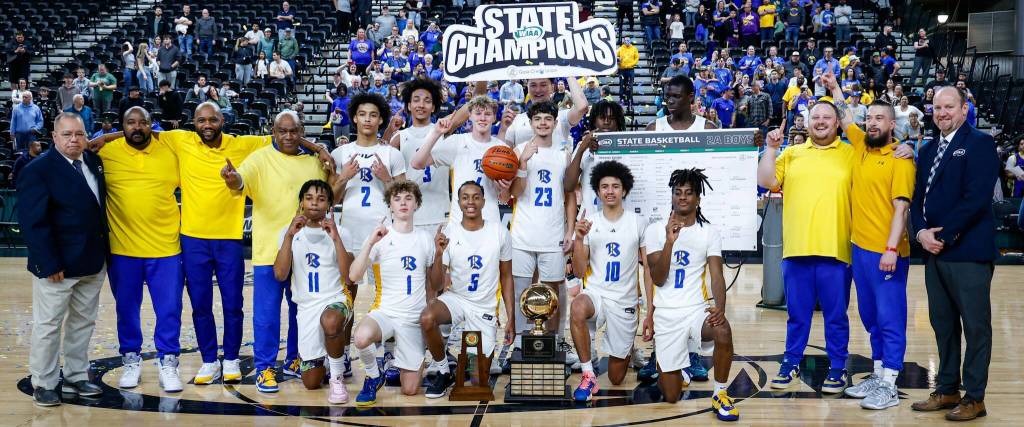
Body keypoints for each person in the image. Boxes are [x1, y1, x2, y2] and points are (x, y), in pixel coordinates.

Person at [221, 110, 336, 393]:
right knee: (267, 315)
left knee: (302, 312)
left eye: (293, 131)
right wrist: (232, 178)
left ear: (301, 132)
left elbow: (330, 189)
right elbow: (240, 181)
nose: (288, 136)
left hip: (306, 254)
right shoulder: (259, 159)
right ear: (273, 132)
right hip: (268, 252)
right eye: (282, 131)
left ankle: (295, 359)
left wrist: (321, 152)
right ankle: (265, 368)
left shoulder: (314, 163)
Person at [909, 87, 999, 421]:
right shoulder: (927, 149)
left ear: (964, 109)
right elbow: (917, 198)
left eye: (949, 107)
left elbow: (977, 198)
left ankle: (975, 397)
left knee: (976, 328)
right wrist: (921, 233)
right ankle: (947, 389)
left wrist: (944, 236)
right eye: (937, 107)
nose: (942, 113)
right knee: (943, 325)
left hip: (968, 251)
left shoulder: (980, 143)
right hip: (934, 253)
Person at [827, 76, 916, 410]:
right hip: (860, 250)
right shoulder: (863, 146)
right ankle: (878, 374)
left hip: (887, 252)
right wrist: (834, 87)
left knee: (890, 317)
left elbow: (901, 208)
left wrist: (891, 248)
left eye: (880, 118)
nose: (873, 123)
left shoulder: (901, 159)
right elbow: (844, 117)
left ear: (893, 124)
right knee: (870, 316)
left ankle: (890, 383)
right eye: (870, 118)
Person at [758, 100, 854, 395]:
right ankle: (790, 362)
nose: (820, 121)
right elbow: (766, 181)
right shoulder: (792, 153)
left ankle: (838, 366)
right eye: (815, 117)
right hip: (796, 250)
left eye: (827, 117)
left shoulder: (851, 153)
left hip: (836, 250)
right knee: (797, 316)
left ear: (837, 123)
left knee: (836, 316)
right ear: (807, 123)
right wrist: (771, 148)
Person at [16, 113, 107, 406]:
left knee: (83, 323)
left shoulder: (93, 162)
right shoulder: (37, 170)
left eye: (79, 134)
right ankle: (43, 382)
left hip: (91, 261)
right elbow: (32, 223)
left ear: (86, 136)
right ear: (54, 137)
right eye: (67, 134)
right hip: (58, 266)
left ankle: (76, 376)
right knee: (48, 325)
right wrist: (48, 263)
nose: (73, 140)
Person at [97, 107, 183, 393]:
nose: (137, 127)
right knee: (126, 309)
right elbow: (80, 145)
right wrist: (106, 138)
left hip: (166, 247)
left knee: (169, 309)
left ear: (151, 125)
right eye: (130, 123)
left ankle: (168, 361)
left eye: (143, 122)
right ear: (122, 126)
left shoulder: (171, 151)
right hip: (123, 248)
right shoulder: (106, 152)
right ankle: (131, 358)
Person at [644, 168, 737, 421]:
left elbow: (716, 275)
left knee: (722, 329)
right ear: (672, 197)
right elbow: (658, 278)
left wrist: (720, 309)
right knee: (671, 395)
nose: (683, 197)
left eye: (688, 193)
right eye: (678, 192)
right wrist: (669, 242)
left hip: (696, 310)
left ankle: (720, 393)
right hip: (666, 314)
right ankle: (677, 368)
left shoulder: (709, 232)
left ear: (698, 198)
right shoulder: (655, 231)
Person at [331, 93, 407, 378]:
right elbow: (331, 199)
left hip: (383, 233)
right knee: (346, 296)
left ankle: (389, 354)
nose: (367, 119)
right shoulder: (341, 153)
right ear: (354, 117)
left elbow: (404, 198)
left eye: (373, 115)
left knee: (387, 296)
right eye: (362, 114)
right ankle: (342, 356)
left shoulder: (392, 154)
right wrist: (344, 176)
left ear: (380, 120)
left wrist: (387, 178)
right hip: (349, 233)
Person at [419, 181, 515, 398]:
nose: (470, 202)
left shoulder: (499, 232)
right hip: (457, 299)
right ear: (458, 202)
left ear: (483, 201)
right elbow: (436, 285)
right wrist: (438, 254)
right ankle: (444, 370)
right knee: (427, 317)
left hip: (483, 307)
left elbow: (507, 277)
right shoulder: (450, 232)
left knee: (477, 381)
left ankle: (464, 365)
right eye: (465, 197)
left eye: (475, 197)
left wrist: (510, 317)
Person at [349, 180, 436, 405]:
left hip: (413, 318)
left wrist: (430, 317)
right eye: (397, 199)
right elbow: (354, 276)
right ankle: (373, 376)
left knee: (410, 390)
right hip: (386, 312)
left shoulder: (425, 238)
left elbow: (432, 284)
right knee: (361, 337)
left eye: (408, 198)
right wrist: (370, 242)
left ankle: (405, 358)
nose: (403, 203)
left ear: (417, 204)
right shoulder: (381, 237)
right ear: (390, 205)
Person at [568, 160, 646, 401]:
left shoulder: (638, 222)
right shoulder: (589, 223)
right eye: (604, 186)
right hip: (597, 295)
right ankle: (588, 374)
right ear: (598, 191)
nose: (610, 191)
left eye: (615, 186)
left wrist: (650, 310)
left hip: (624, 301)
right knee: (577, 306)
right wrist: (578, 239)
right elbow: (579, 272)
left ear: (624, 190)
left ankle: (628, 348)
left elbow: (648, 270)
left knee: (616, 377)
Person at [508, 101, 577, 364]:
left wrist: (570, 230)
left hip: (553, 235)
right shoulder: (519, 150)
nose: (543, 123)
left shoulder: (563, 153)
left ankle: (555, 341)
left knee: (553, 292)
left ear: (556, 123)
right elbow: (515, 193)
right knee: (521, 291)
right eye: (538, 119)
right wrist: (523, 163)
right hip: (523, 235)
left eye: (548, 119)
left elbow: (569, 196)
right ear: (530, 123)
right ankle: (520, 341)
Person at [273, 180, 353, 403]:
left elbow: (349, 277)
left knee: (331, 321)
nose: (314, 203)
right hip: (306, 307)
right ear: (301, 202)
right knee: (311, 382)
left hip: (336, 299)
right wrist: (289, 236)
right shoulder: (288, 232)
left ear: (329, 204)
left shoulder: (341, 232)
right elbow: (280, 274)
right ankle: (329, 357)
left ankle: (337, 378)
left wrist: (336, 238)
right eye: (309, 198)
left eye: (321, 199)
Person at [412, 95, 512, 225]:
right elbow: (417, 163)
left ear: (494, 117)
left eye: (487, 114)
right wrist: (436, 133)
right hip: (459, 224)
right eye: (478, 113)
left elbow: (504, 200)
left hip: (490, 223)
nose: (482, 118)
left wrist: (504, 189)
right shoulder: (457, 142)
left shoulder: (503, 149)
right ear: (470, 116)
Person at [616, 38, 639, 104]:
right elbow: (616, 56)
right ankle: (622, 99)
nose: (627, 41)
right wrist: (618, 60)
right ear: (623, 41)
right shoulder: (620, 49)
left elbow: (636, 58)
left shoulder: (634, 49)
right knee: (622, 84)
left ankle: (630, 99)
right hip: (622, 69)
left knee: (630, 85)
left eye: (628, 40)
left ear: (630, 41)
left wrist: (631, 64)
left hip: (630, 69)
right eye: (625, 40)